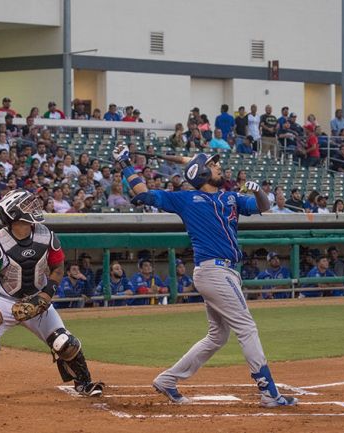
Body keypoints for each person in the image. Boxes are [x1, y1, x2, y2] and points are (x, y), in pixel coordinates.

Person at [112, 145, 296, 407]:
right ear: (201, 173)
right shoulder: (185, 199)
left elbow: (262, 207)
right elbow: (142, 193)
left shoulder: (230, 198)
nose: (219, 166)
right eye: (213, 164)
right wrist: (125, 163)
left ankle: (167, 380)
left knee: (217, 337)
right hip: (214, 271)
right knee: (246, 327)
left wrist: (259, 191)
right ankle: (268, 391)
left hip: (224, 273)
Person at [0, 189, 104, 400]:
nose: (34, 208)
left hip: (38, 298)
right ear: (14, 214)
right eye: (27, 206)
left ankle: (84, 382)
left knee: (64, 342)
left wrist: (46, 295)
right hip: (4, 300)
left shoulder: (47, 236)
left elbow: (58, 268)